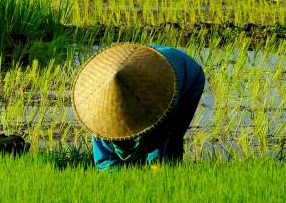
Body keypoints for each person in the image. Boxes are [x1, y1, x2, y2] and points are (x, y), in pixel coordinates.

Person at [72, 43, 206, 171]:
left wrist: (157, 166)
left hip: (185, 75)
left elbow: (162, 134)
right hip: (136, 68)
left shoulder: (161, 101)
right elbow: (104, 162)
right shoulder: (99, 115)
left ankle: (174, 173)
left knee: (173, 139)